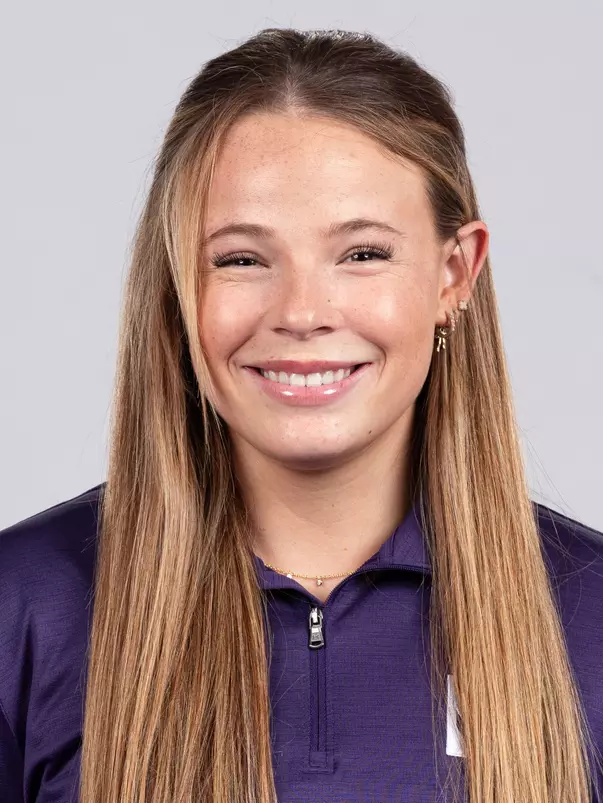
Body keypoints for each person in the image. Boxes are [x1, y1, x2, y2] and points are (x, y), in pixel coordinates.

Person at [0, 26, 602, 803]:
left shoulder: (589, 616)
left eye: (362, 253)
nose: (301, 312)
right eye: (242, 258)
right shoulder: (24, 606)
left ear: (455, 274)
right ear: (179, 284)